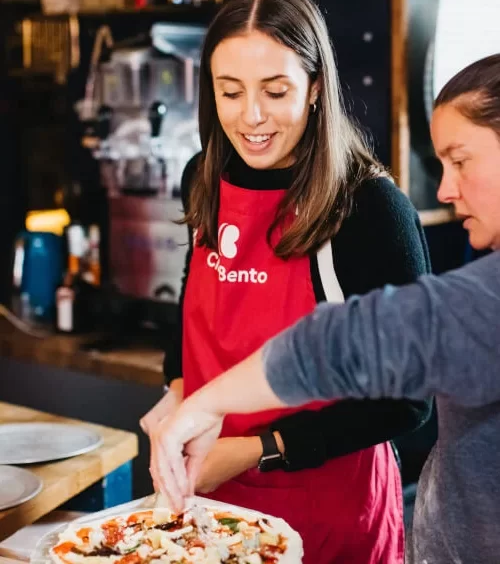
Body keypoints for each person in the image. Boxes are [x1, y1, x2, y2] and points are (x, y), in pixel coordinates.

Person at [149, 54, 500, 564]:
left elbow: (352, 348)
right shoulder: (203, 178)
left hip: (336, 517)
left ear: (315, 90)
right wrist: (181, 394)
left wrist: (211, 412)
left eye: (461, 160)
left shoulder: (371, 208)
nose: (445, 190)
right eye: (230, 92)